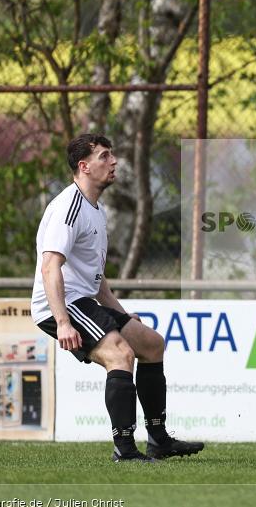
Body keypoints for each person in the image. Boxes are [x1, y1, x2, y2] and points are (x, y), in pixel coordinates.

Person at [31, 134, 204, 462]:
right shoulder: (68, 208)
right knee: (120, 355)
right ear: (84, 166)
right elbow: (50, 267)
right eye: (104, 157)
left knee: (151, 344)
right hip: (60, 305)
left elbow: (96, 280)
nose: (113, 162)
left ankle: (159, 440)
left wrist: (122, 314)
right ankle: (124, 449)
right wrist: (64, 323)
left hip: (83, 301)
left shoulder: (95, 209)